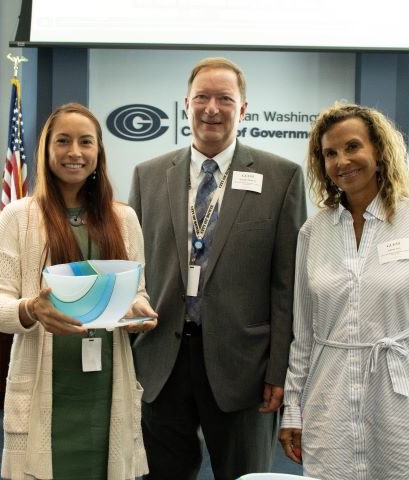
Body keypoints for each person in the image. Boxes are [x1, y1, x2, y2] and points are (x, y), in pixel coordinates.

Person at [128, 57, 307, 480]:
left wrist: (279, 369)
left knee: (244, 475)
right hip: (161, 361)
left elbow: (287, 287)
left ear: (243, 109)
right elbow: (132, 266)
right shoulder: (148, 175)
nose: (212, 108)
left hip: (244, 366)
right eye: (202, 98)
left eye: (224, 99)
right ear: (186, 104)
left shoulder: (282, 177)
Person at [0, 102, 158, 480]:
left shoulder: (123, 218)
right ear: (47, 151)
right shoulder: (17, 217)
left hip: (107, 386)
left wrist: (139, 312)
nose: (75, 152)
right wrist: (31, 308)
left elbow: (138, 292)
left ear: (99, 152)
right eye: (62, 141)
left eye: (86, 142)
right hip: (44, 384)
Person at [280, 102, 409, 479]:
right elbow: (303, 336)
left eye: (353, 147)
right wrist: (292, 409)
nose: (342, 161)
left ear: (379, 151)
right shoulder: (313, 232)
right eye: (330, 153)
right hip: (329, 402)